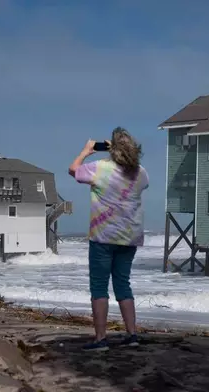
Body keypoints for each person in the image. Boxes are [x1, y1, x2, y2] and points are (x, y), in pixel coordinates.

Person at [68, 126, 149, 351]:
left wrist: (86, 150)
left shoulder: (100, 168)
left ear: (112, 148)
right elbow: (142, 183)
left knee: (99, 287)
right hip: (130, 237)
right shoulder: (140, 172)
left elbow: (73, 170)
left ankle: (101, 338)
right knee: (123, 284)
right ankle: (132, 335)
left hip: (104, 236)